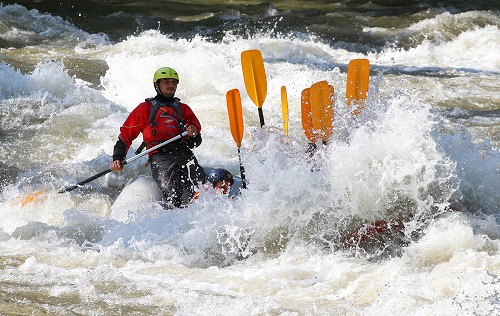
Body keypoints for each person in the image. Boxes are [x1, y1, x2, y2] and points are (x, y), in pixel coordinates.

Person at [110, 67, 206, 208]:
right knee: (174, 195)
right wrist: (118, 157)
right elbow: (126, 135)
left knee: (203, 188)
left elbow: (195, 142)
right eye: (166, 82)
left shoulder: (183, 109)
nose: (171, 85)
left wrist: (194, 134)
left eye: (174, 82)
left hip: (184, 154)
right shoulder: (145, 108)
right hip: (161, 158)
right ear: (157, 85)